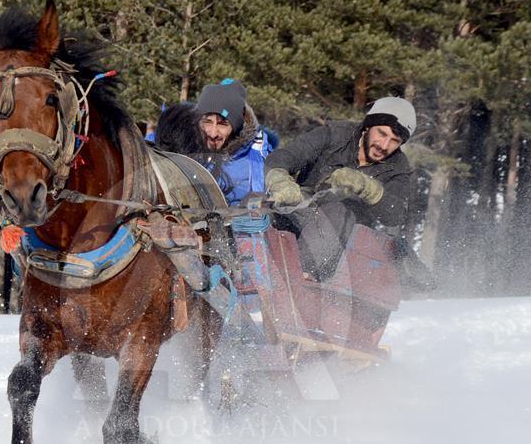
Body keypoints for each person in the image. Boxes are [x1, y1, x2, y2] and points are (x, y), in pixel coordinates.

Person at [264, 96, 433, 289]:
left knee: (338, 212)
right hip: (301, 210)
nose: (384, 145)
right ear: (368, 126)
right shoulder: (335, 135)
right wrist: (280, 181)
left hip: (339, 245)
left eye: (394, 141)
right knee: (257, 204)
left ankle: (301, 281)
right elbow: (285, 156)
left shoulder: (398, 167)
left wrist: (368, 188)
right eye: (382, 134)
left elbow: (395, 215)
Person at [154, 79, 275, 206]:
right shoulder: (182, 142)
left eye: (223, 124)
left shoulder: (255, 158)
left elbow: (265, 200)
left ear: (236, 127)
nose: (213, 133)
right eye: (207, 121)